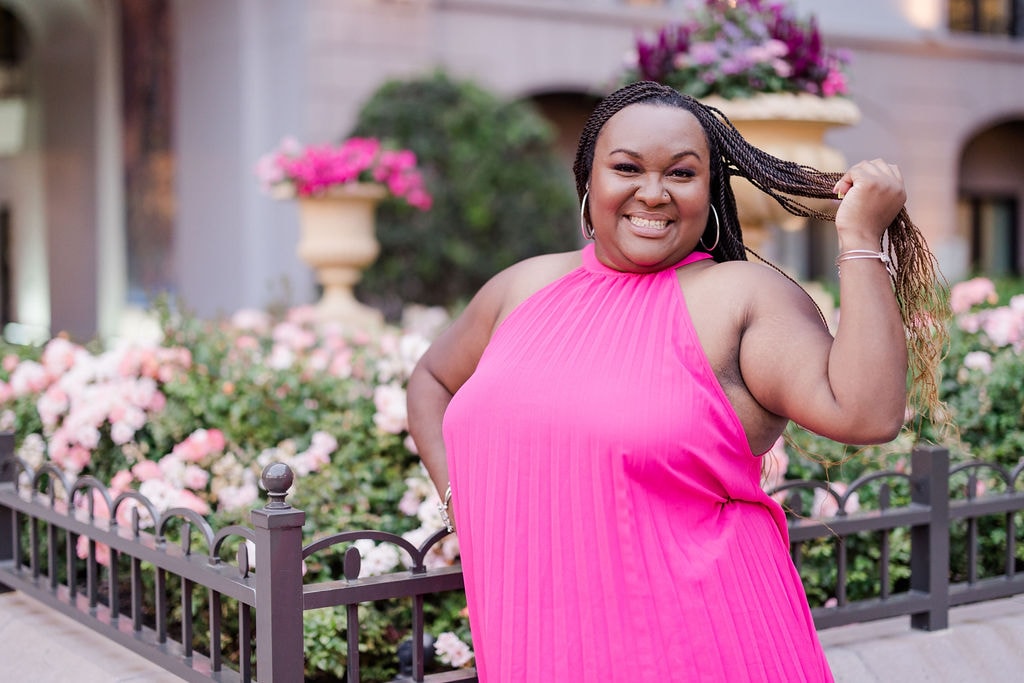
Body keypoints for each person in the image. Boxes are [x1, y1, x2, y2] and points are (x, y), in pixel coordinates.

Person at [406, 80, 947, 682]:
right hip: (538, 648)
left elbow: (867, 414)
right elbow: (431, 378)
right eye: (627, 168)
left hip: (707, 649)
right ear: (589, 179)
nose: (653, 193)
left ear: (709, 190)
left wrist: (860, 238)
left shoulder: (740, 298)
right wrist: (463, 501)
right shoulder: (521, 288)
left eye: (682, 174)